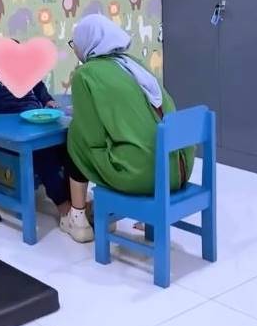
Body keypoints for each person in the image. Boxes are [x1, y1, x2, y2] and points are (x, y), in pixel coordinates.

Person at [59, 14, 194, 243]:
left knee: (76, 137)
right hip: (177, 169)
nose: (75, 49)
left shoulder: (85, 74)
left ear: (87, 42)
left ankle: (79, 218)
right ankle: (109, 211)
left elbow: (91, 137)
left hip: (145, 176)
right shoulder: (132, 63)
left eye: (76, 43)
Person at [0, 70, 71, 219]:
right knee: (46, 156)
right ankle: (63, 206)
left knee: (69, 148)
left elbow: (39, 87)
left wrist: (47, 100)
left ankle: (76, 204)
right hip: (14, 138)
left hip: (35, 128)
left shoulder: (26, 75)